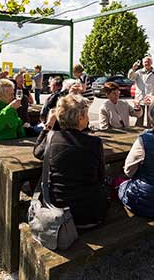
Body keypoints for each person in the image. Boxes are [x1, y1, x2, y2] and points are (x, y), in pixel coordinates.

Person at [33, 94, 109, 228]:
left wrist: (48, 126)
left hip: (58, 211)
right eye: (86, 114)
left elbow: (37, 152)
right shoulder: (94, 143)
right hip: (89, 213)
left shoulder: (52, 138)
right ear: (80, 118)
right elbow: (101, 176)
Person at [128, 56, 154, 127]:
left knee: (151, 118)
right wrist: (133, 69)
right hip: (140, 98)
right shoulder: (138, 72)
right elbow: (131, 77)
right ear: (143, 63)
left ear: (151, 63)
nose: (147, 63)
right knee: (139, 117)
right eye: (145, 62)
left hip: (151, 98)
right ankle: (138, 133)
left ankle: (151, 132)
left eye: (148, 62)